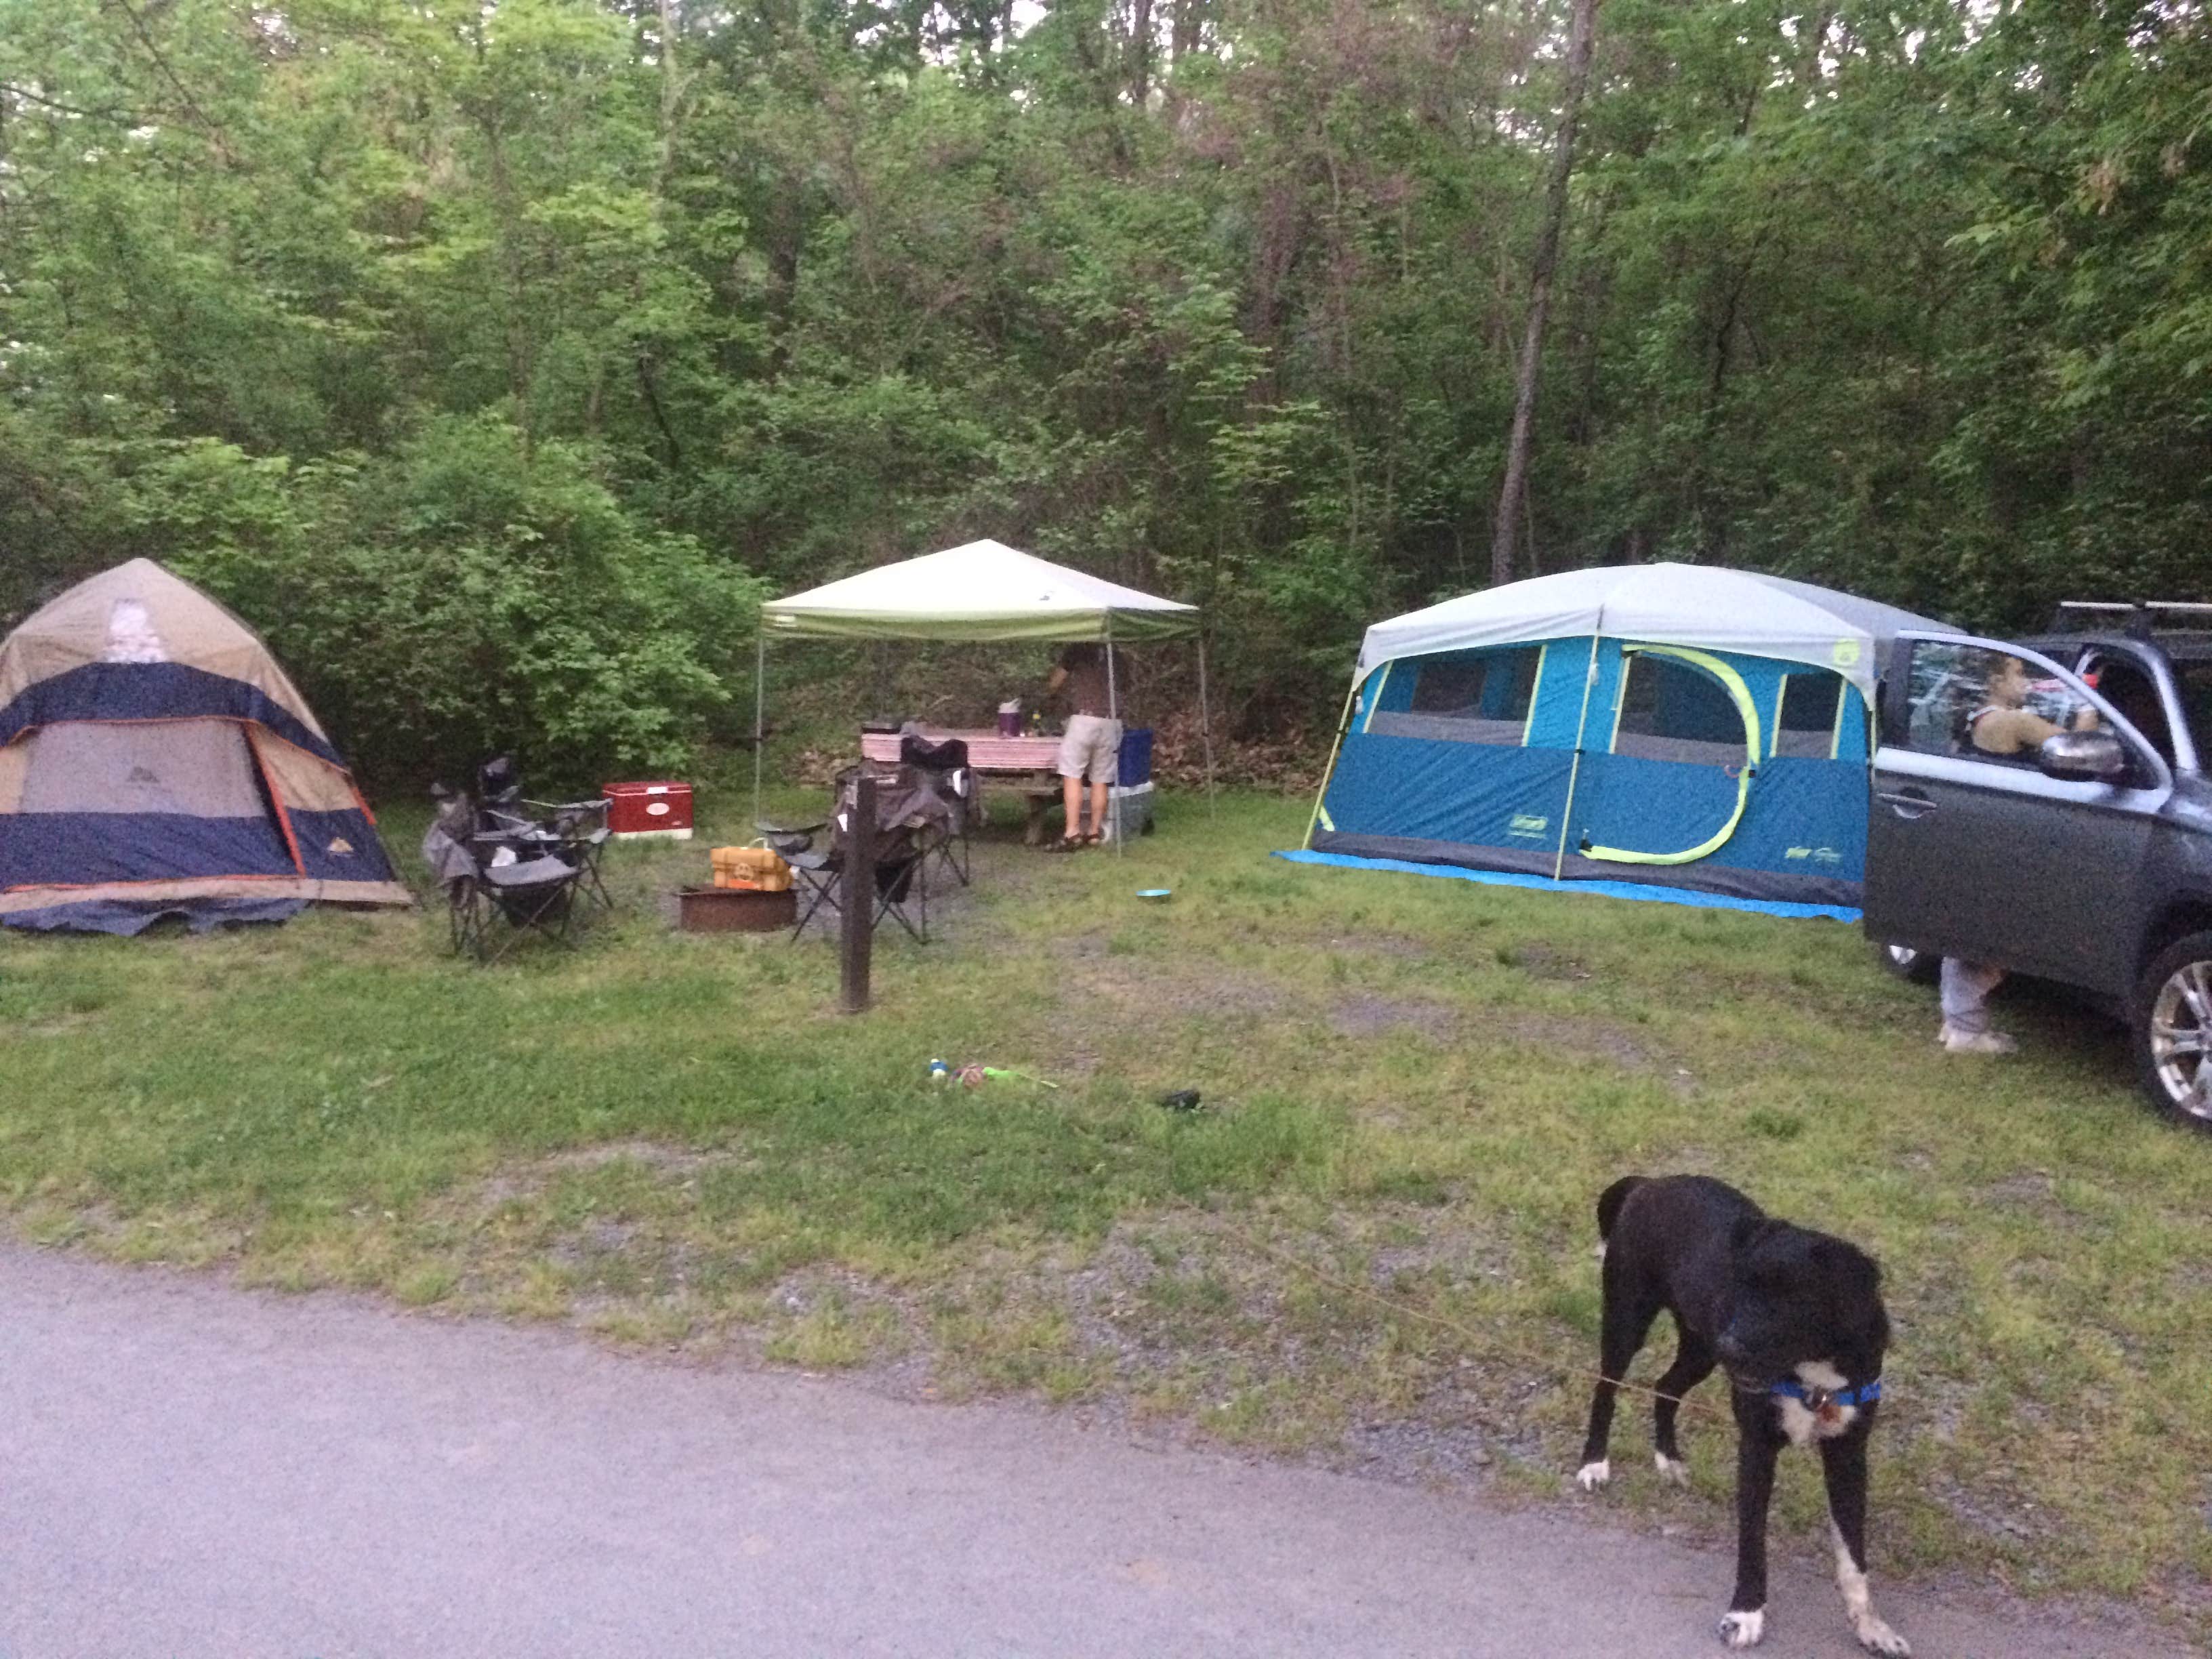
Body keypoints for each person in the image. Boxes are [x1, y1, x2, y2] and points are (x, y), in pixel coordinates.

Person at [1939, 655, 2100, 1054]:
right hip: (2007, 840)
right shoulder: (2013, 722)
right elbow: (2079, 747)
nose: (2026, 681)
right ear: (1996, 680)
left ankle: (1956, 1022)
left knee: (1970, 929)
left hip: (1980, 832)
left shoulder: (1975, 718)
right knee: (1995, 931)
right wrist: (2087, 703)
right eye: (2019, 673)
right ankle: (1966, 1031)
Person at [1044, 642, 1120, 851]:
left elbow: (1055, 682)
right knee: (1100, 779)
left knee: (1072, 774)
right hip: (1112, 720)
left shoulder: (1078, 648)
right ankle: (1094, 832)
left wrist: (1052, 692)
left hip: (1085, 718)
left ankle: (1072, 832)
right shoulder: (1116, 652)